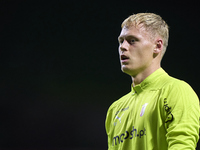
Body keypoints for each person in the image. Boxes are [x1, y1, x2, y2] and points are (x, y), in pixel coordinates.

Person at [105, 13, 200, 150]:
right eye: (121, 41)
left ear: (157, 46)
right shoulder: (115, 109)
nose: (123, 47)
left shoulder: (176, 91)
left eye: (132, 40)